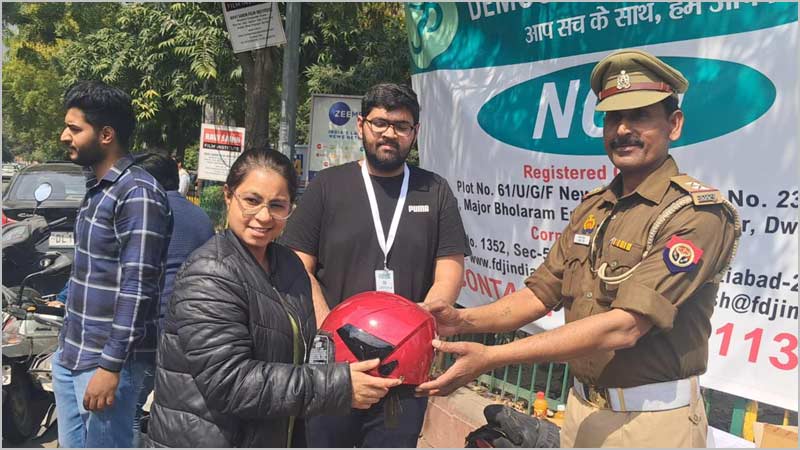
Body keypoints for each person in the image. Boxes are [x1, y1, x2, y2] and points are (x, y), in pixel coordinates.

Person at [415, 49, 741, 448]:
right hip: (581, 414)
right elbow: (539, 295)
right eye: (613, 117)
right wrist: (461, 321)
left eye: (639, 116)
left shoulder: (697, 214)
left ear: (674, 124)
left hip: (652, 425)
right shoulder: (594, 207)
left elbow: (624, 326)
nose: (623, 129)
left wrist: (493, 358)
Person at [146, 149, 401, 448]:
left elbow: (302, 352)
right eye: (252, 201)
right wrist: (339, 385)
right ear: (229, 196)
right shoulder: (210, 272)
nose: (264, 217)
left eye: (277, 205)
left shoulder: (288, 264)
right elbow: (231, 383)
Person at [281, 83, 471, 448]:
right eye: (380, 122)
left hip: (404, 369)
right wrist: (329, 329)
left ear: (414, 133)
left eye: (401, 126)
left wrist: (417, 330)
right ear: (361, 125)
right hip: (334, 365)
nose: (389, 133)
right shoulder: (328, 186)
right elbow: (297, 266)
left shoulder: (434, 190)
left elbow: (449, 269)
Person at [53, 80, 172, 448]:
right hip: (72, 356)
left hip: (108, 366)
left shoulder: (137, 194)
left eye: (75, 129)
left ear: (106, 134)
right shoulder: (97, 189)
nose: (64, 136)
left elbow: (138, 289)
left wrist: (110, 367)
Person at [131, 152, 215, 444]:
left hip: (147, 328)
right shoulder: (200, 216)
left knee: (127, 410)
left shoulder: (142, 211)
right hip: (193, 330)